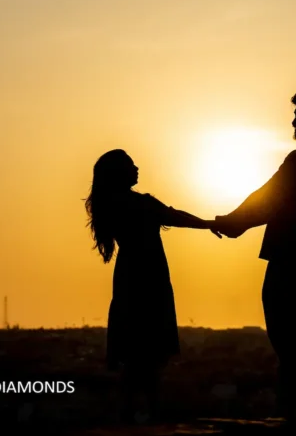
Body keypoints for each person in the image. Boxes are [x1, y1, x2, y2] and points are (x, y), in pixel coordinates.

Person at [214, 88, 296, 423]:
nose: (294, 120)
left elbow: (270, 198)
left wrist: (234, 223)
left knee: (285, 336)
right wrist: (236, 221)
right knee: (290, 335)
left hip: (292, 257)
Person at [85, 149, 222, 424]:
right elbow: (173, 216)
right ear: (120, 173)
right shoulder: (137, 204)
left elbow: (170, 215)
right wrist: (209, 224)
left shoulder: (113, 204)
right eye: (131, 165)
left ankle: (133, 414)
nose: (137, 168)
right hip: (148, 279)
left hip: (131, 277)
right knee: (149, 355)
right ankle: (148, 415)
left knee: (136, 357)